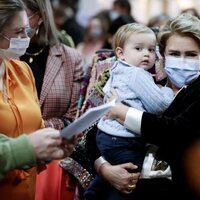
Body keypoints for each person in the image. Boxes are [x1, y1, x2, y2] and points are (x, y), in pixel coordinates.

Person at [95, 14, 200, 200]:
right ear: (163, 55)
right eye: (175, 54)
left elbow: (176, 131)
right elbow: (95, 129)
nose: (182, 61)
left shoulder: (196, 91)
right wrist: (104, 168)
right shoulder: (147, 82)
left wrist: (124, 113)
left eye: (191, 55)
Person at [84, 23, 174, 200]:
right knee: (132, 177)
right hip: (125, 139)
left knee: (116, 168)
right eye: (139, 49)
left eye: (151, 49)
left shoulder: (115, 69)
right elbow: (159, 105)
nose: (146, 54)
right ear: (120, 53)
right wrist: (168, 91)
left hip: (106, 136)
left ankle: (93, 192)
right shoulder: (137, 74)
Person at [0, 0, 76, 199]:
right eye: (18, 32)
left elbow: (35, 128)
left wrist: (51, 147)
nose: (26, 38)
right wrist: (28, 148)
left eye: (26, 30)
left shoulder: (21, 71)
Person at [20, 0, 84, 200]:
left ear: (39, 16)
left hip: (52, 162)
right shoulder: (7, 54)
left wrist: (38, 129)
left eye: (21, 12)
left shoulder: (70, 58)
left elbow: (74, 117)